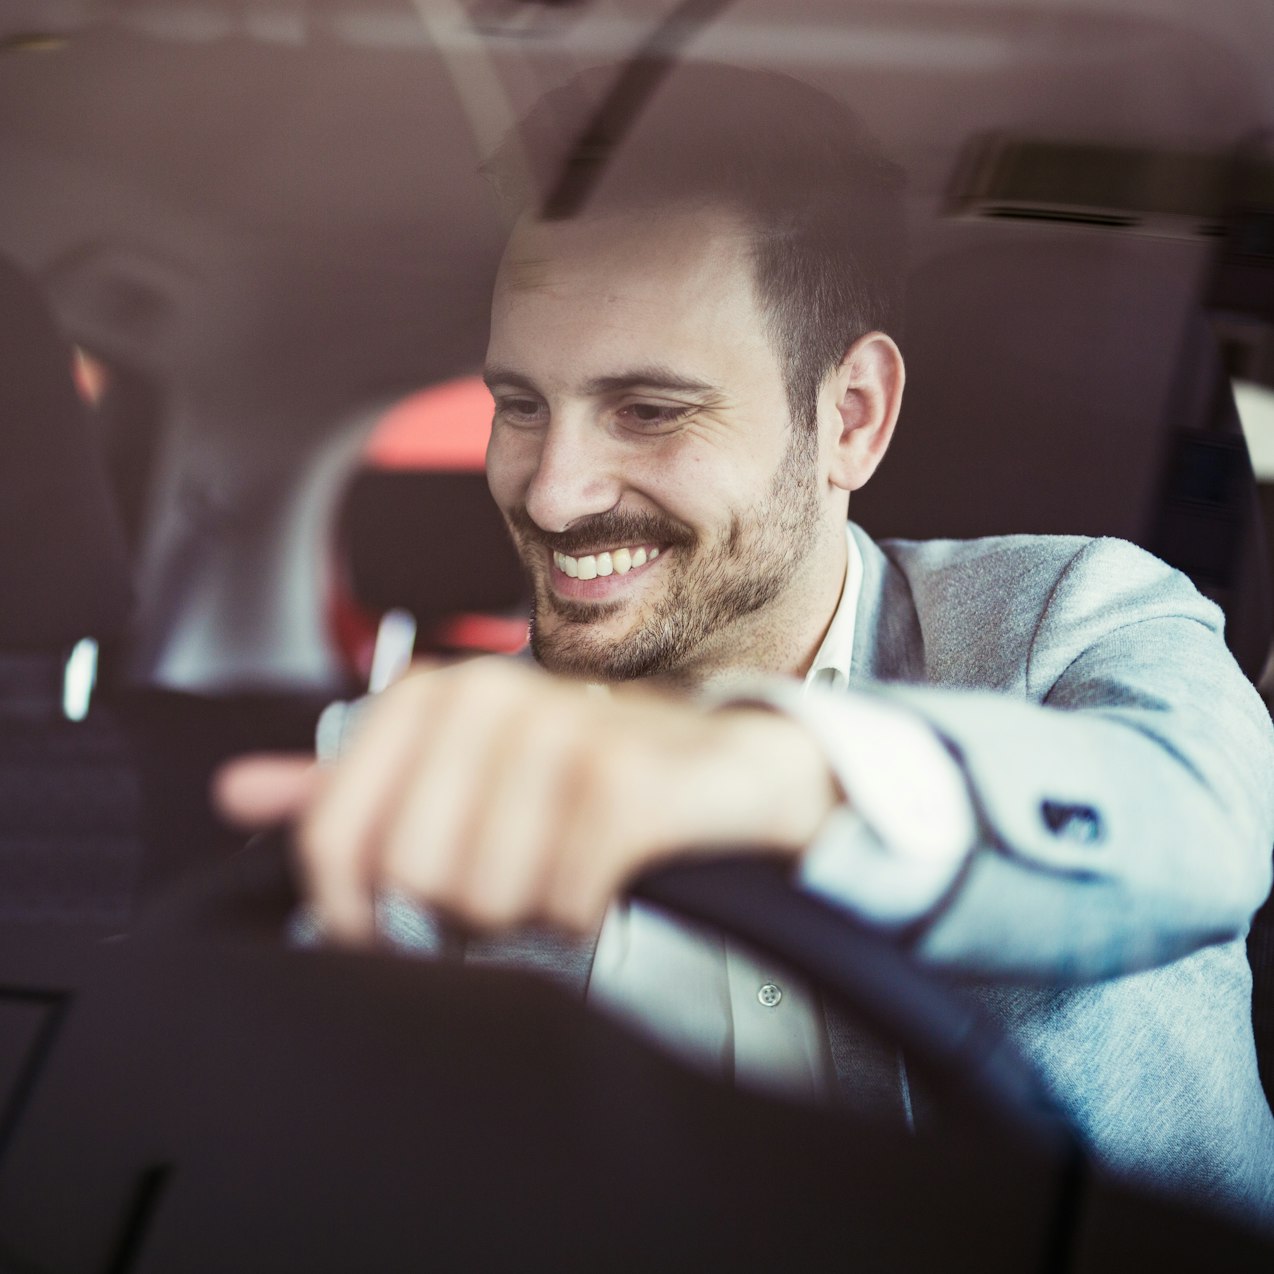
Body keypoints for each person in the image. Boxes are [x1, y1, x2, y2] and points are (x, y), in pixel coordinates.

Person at [217, 65, 1274, 1226]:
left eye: (650, 410)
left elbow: (1205, 822)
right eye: (520, 404)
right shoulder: (420, 759)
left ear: (850, 416)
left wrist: (760, 769)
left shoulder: (1068, 618)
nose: (554, 493)